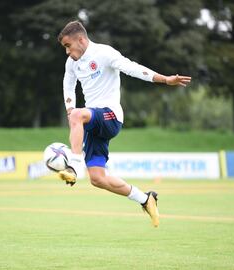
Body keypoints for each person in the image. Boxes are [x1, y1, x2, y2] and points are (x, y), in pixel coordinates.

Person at [57, 21, 191, 227]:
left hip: (110, 116)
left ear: (81, 40)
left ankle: (74, 167)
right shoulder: (72, 63)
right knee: (97, 178)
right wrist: (69, 110)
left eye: (68, 46)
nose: (67, 52)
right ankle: (146, 199)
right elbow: (68, 85)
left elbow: (132, 68)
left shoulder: (104, 53)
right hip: (94, 123)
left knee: (76, 115)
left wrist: (165, 79)